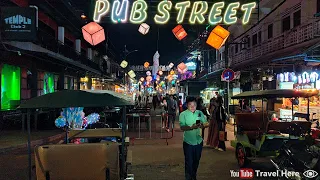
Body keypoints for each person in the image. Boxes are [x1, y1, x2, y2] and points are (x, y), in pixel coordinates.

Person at [179, 96, 209, 180]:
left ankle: (193, 176)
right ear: (187, 105)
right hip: (188, 142)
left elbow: (206, 123)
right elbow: (182, 127)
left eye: (194, 105)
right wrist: (191, 127)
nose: (192, 107)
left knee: (196, 161)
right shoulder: (183, 114)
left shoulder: (199, 113)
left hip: (199, 142)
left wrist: (203, 125)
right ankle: (188, 177)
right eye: (190, 105)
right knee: (189, 162)